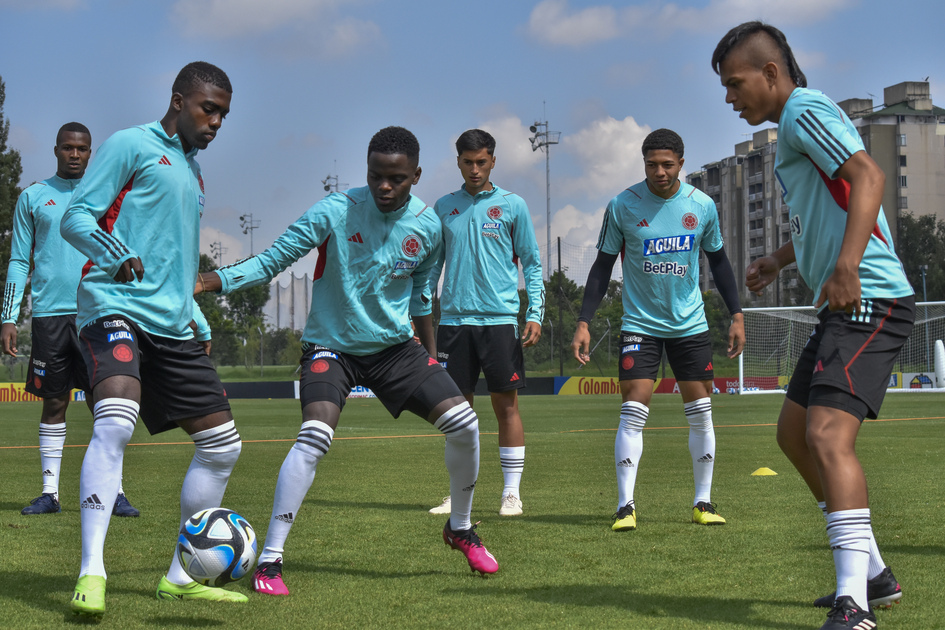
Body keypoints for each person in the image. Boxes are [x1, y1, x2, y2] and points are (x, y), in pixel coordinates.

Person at [196, 126, 498, 598]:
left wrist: (431, 356)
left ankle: (460, 528)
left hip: (395, 349)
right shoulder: (336, 211)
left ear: (415, 175)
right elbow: (276, 258)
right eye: (376, 176)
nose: (384, 186)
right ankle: (271, 561)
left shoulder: (428, 228)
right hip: (330, 347)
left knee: (465, 424)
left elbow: (421, 299)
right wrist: (212, 281)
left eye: (396, 179)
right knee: (315, 435)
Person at [712, 22, 913, 630]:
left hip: (871, 297)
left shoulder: (804, 110)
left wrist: (848, 264)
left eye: (734, 83)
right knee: (794, 436)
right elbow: (827, 210)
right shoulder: (794, 128)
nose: (729, 98)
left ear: (771, 73)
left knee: (827, 437)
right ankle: (872, 570)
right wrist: (779, 257)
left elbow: (869, 178)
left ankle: (855, 604)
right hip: (843, 303)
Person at [60, 62, 245, 618]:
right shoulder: (130, 145)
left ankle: (181, 577)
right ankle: (92, 570)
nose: (215, 122)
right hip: (112, 307)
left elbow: (177, 260)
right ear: (178, 100)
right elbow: (76, 217)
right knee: (115, 419)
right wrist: (117, 257)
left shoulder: (194, 173)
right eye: (207, 109)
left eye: (223, 115)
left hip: (171, 325)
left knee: (223, 445)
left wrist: (197, 318)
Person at [570, 128, 744, 532]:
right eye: (652, 164)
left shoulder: (701, 205)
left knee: (700, 413)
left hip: (690, 324)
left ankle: (703, 501)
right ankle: (625, 507)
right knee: (633, 409)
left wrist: (737, 314)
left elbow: (718, 263)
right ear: (643, 162)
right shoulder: (623, 205)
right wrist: (584, 322)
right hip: (640, 324)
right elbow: (601, 267)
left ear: (681, 163)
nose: (660, 172)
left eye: (667, 164)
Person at [2, 123, 138, 518]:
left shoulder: (106, 195)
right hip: (50, 315)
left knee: (108, 404)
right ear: (56, 150)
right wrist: (8, 316)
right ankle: (50, 494)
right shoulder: (33, 196)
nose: (74, 154)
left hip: (99, 311)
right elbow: (18, 260)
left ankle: (114, 493)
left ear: (91, 153)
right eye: (67, 148)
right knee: (54, 401)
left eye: (81, 149)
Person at [427, 128, 543, 518]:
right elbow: (431, 269)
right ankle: (457, 494)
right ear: (457, 161)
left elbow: (531, 261)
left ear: (493, 160)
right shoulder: (443, 207)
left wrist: (535, 312)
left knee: (505, 408)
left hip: (499, 321)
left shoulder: (513, 206)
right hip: (454, 324)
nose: (474, 169)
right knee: (455, 412)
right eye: (467, 162)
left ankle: (511, 493)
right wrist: (421, 315)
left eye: (481, 162)